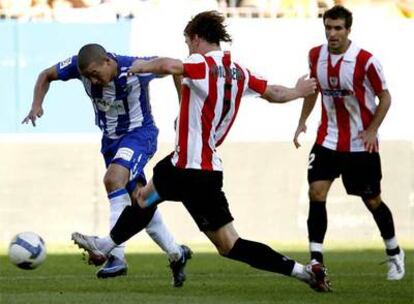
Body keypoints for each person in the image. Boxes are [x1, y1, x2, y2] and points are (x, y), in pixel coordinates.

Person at [71, 11, 331, 292]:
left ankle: (106, 246)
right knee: (229, 244)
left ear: (196, 38)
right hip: (208, 172)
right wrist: (297, 90)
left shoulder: (201, 63)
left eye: (187, 43)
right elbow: (273, 93)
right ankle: (304, 272)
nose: (187, 49)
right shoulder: (239, 72)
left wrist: (141, 66)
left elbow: (172, 66)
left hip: (185, 165)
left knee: (143, 200)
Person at [22, 44, 192, 286]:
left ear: (107, 61)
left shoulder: (135, 68)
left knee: (113, 180)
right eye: (88, 76)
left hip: (139, 135)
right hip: (110, 142)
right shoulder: (78, 67)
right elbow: (45, 75)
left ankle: (114, 255)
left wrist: (182, 109)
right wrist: (36, 105)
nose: (93, 79)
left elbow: (176, 67)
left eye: (95, 73)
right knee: (140, 201)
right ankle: (177, 254)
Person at [292, 5, 405, 281]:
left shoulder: (365, 61)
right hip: (327, 139)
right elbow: (313, 90)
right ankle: (316, 261)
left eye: (338, 28)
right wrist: (302, 120)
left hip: (359, 145)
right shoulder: (315, 55)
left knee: (372, 200)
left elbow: (385, 97)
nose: (332, 34)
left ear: (348, 30)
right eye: (328, 28)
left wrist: (372, 130)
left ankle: (394, 253)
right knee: (316, 193)